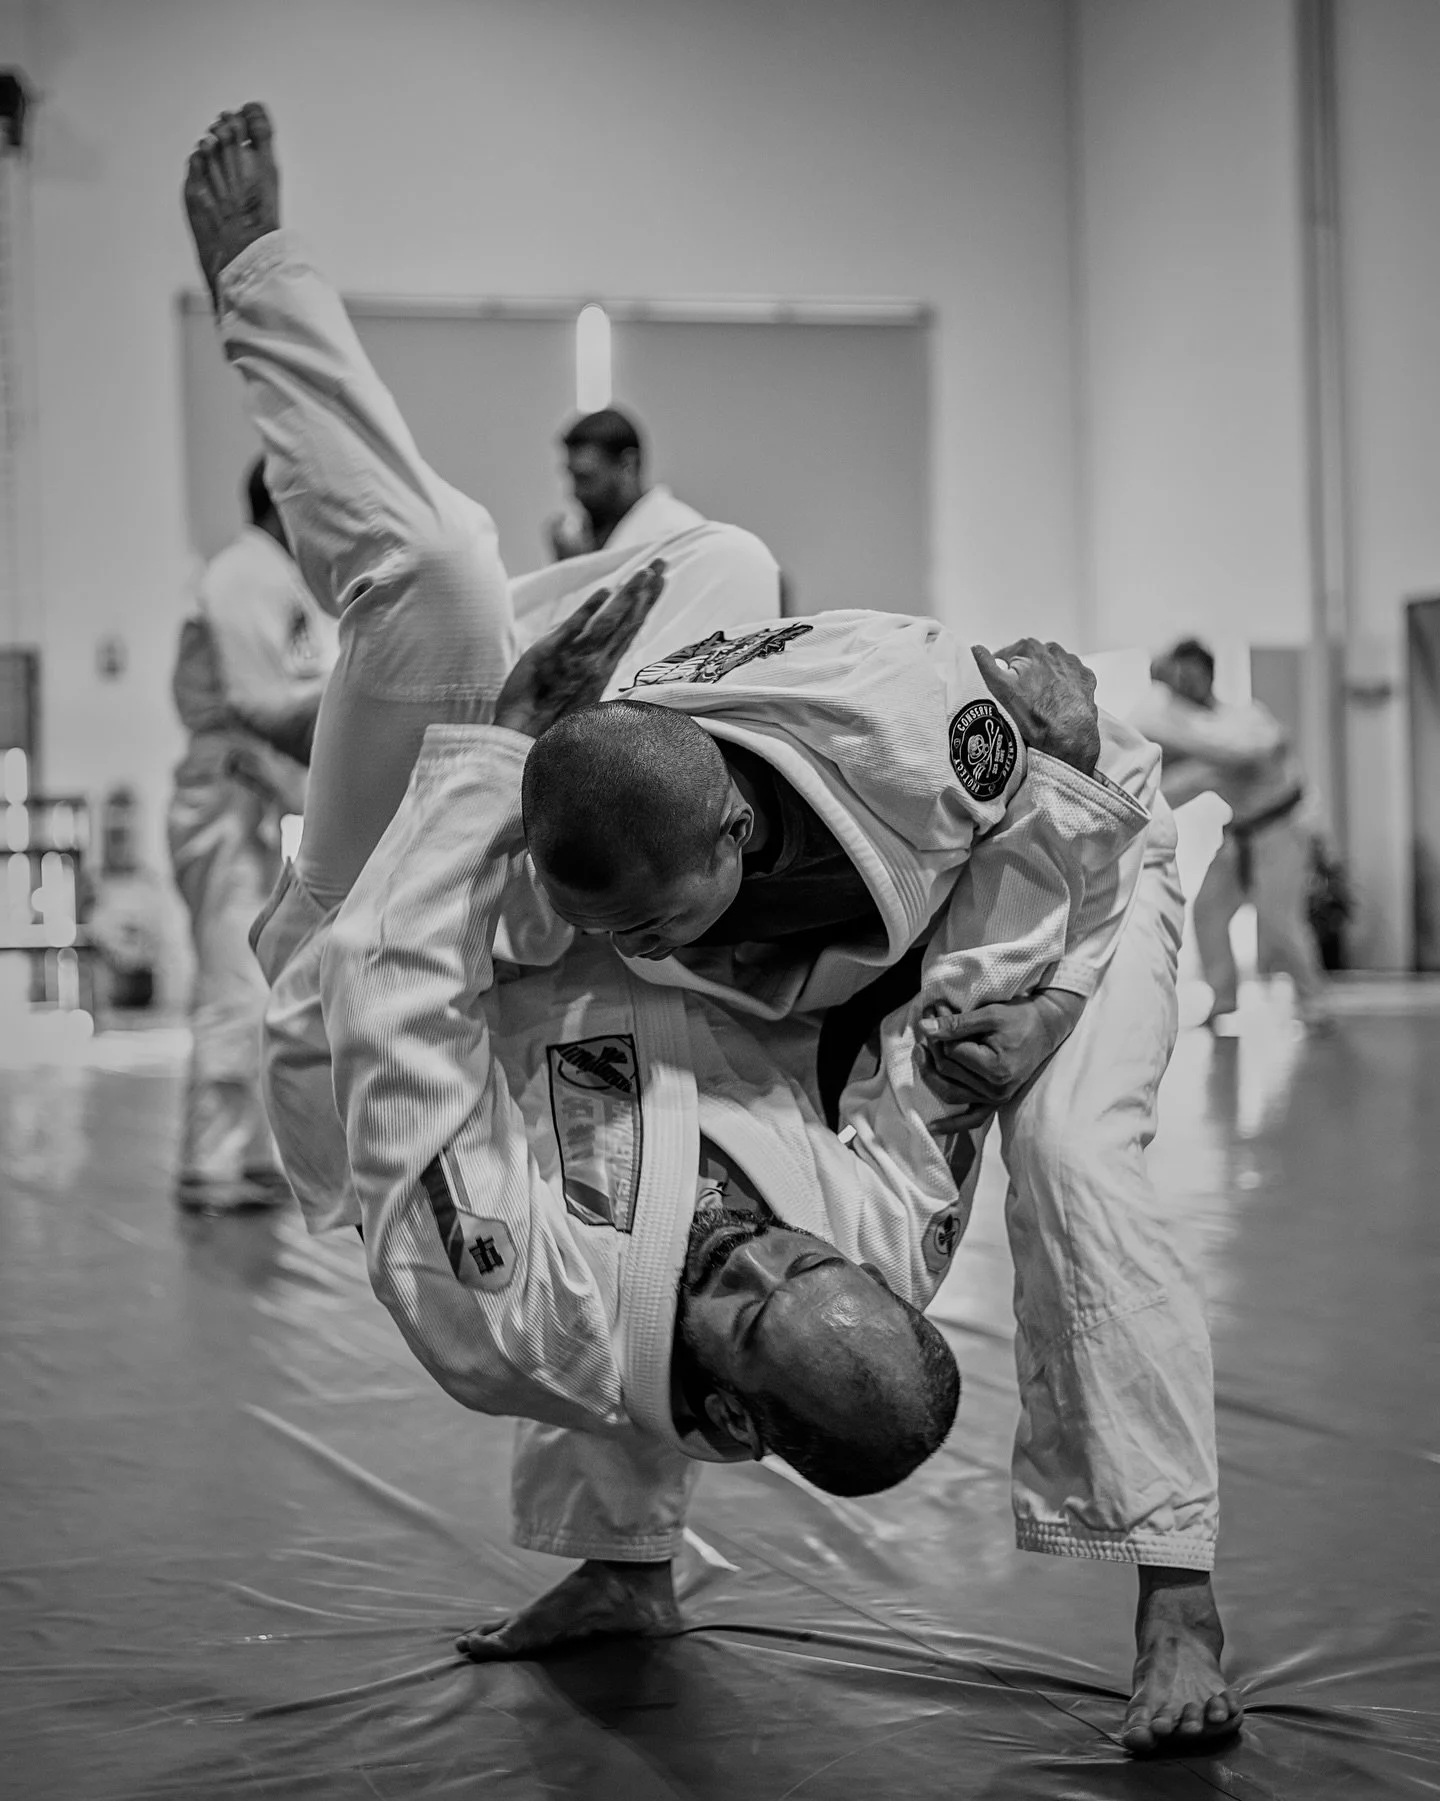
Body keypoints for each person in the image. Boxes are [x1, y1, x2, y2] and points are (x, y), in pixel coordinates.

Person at [184, 104, 1238, 1755]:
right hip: (813, 856)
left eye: (754, 1294)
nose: (775, 1246)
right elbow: (910, 1091)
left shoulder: (512, 1308)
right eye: (801, 1259)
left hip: (380, 947)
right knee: (721, 556)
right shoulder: (898, 748)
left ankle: (1176, 1584)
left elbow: (388, 1008)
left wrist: (482, 759)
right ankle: (625, 1568)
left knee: (444, 576)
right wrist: (992, 1046)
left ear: (736, 1397)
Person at [167, 458, 336, 1208]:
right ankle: (211, 1157)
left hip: (258, 795)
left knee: (264, 974)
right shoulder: (243, 573)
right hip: (229, 792)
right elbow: (261, 701)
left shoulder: (276, 577)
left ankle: (252, 1147)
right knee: (231, 978)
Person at [1132, 638, 1328, 1031]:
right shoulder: (1196, 737)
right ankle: (1222, 1001)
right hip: (1240, 836)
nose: (1184, 685)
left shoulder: (1245, 721)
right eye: (1177, 678)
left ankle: (1315, 1005)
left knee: (1279, 921)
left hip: (1281, 831)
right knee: (1208, 911)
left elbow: (1256, 748)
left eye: (1190, 674)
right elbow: (1178, 786)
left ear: (1208, 675)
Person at [547, 407, 704, 562]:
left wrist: (580, 571)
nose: (575, 493)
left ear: (628, 465)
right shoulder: (589, 539)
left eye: (586, 478)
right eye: (573, 477)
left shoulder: (679, 536)